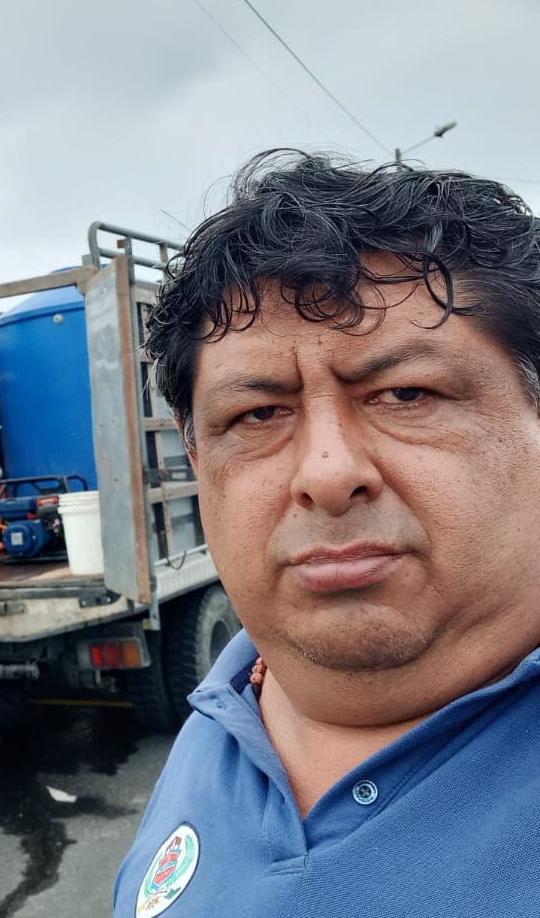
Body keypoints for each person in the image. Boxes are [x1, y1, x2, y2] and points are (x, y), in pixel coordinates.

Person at [113, 151, 540, 917]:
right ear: (198, 460)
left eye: (406, 393)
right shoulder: (223, 712)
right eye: (258, 414)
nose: (327, 472)